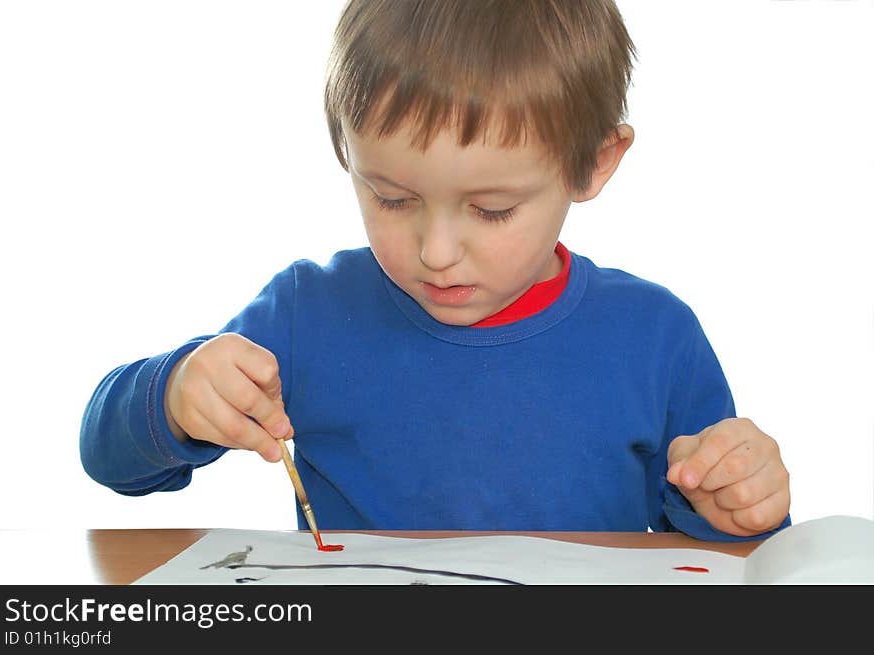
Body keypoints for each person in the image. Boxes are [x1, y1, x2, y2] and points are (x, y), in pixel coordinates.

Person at [80, 0, 790, 541]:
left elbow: (723, 553)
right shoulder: (308, 314)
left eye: (490, 209)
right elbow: (107, 455)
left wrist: (736, 500)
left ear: (595, 162)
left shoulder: (656, 339)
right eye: (393, 198)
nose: (436, 251)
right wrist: (175, 394)